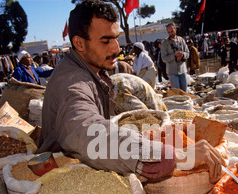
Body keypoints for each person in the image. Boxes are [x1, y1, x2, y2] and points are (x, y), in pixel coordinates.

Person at [37, 0, 225, 183]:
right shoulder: (73, 83)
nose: (116, 48)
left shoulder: (88, 70)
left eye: (116, 38)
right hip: (60, 176)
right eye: (105, 41)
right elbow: (87, 132)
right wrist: (179, 155)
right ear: (79, 43)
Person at [161, 22, 190, 92]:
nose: (171, 33)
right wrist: (174, 55)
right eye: (169, 32)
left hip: (182, 70)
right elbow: (164, 58)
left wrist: (182, 54)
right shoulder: (165, 43)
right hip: (172, 72)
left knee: (184, 91)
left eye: (172, 31)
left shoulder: (181, 40)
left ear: (175, 29)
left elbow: (188, 53)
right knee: (177, 92)